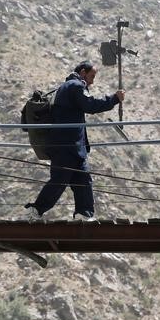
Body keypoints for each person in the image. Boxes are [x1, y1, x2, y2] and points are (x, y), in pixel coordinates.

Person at [25, 61, 125, 221]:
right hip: (66, 146)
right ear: (83, 72)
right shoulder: (75, 86)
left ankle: (84, 214)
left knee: (83, 180)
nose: (92, 81)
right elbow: (90, 105)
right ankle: (35, 210)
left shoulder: (66, 87)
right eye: (92, 76)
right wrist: (114, 99)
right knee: (59, 180)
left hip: (74, 147)